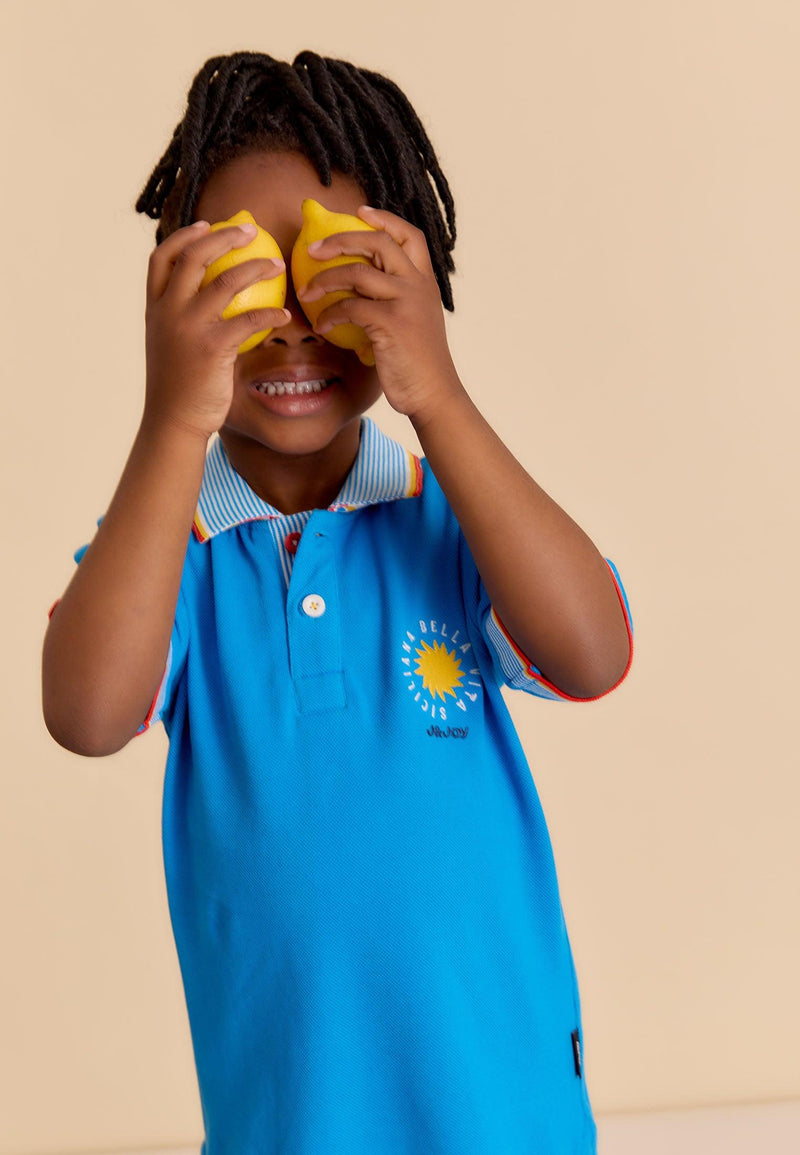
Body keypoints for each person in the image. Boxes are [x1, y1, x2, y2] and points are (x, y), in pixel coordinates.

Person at [42, 50, 634, 1155]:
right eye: (242, 280)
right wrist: (172, 415)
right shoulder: (169, 556)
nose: (291, 325)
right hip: (288, 1127)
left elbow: (592, 653)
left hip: (505, 1118)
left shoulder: (451, 518)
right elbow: (84, 714)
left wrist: (437, 393)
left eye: (332, 277)